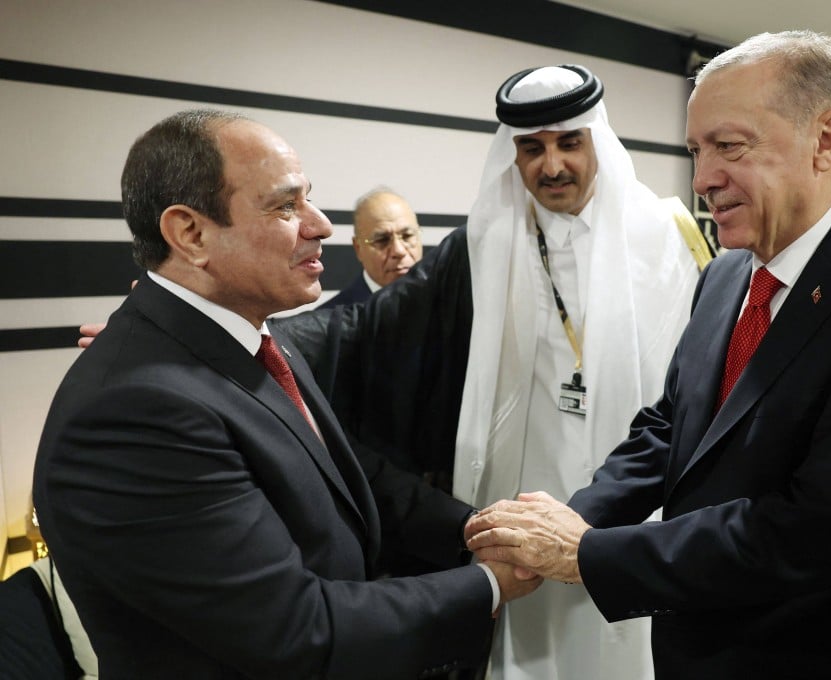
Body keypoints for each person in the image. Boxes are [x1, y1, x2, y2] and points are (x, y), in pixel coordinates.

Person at [466, 30, 831, 678]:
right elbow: (672, 427)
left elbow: (820, 530)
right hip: (697, 647)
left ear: (826, 140)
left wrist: (588, 553)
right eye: (696, 150)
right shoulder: (726, 275)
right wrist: (570, 520)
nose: (703, 179)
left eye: (729, 147)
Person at [34, 109, 539, 680]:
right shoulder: (135, 411)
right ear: (191, 234)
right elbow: (296, 630)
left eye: (310, 199)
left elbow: (339, 476)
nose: (320, 225)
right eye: (285, 206)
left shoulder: (252, 339)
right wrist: (489, 583)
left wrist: (477, 528)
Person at [276, 64, 705, 680]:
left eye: (568, 143)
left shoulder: (669, 235)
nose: (551, 165)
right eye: (531, 148)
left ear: (596, 140)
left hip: (634, 497)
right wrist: (229, 332)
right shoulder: (484, 243)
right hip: (521, 498)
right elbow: (364, 330)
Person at [318, 187, 422, 308]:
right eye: (382, 240)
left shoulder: (445, 303)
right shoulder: (331, 321)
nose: (399, 251)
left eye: (407, 236)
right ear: (358, 248)